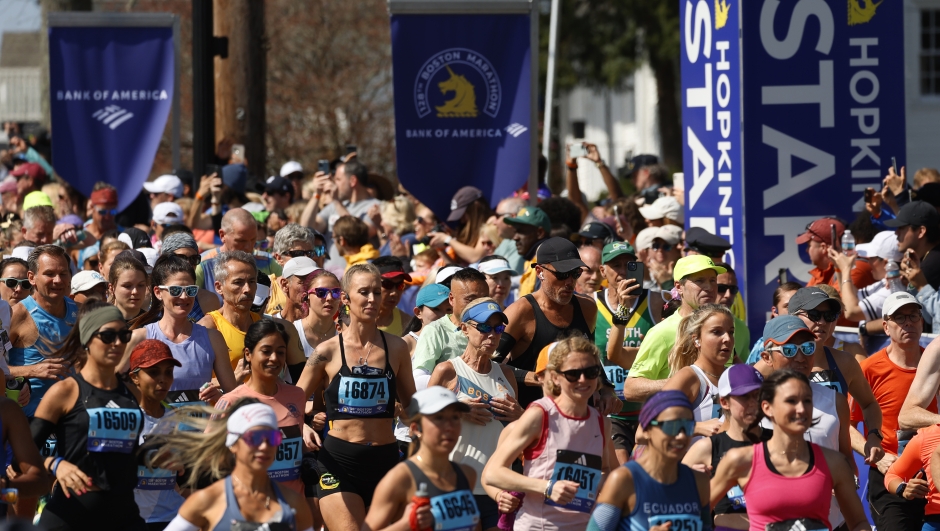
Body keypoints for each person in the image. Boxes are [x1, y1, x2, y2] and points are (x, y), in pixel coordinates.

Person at [296, 263, 416, 531]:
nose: (372, 299)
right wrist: (303, 426)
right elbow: (293, 401)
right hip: (339, 462)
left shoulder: (396, 347)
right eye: (364, 292)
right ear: (347, 299)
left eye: (377, 291)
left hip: (386, 459)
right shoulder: (325, 351)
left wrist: (402, 411)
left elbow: (413, 408)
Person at [30, 304, 147, 530]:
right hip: (73, 514)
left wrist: (155, 456)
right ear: (87, 339)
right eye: (107, 336)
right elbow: (22, 453)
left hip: (123, 513)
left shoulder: (132, 393)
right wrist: (55, 464)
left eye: (124, 335)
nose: (118, 343)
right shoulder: (66, 391)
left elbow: (125, 452)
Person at [709, 370, 871, 531]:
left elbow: (859, 523)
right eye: (791, 401)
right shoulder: (741, 460)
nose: (801, 409)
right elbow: (695, 509)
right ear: (767, 407)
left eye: (807, 400)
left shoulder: (834, 463)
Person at [482, 336, 613, 531]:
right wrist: (548, 487)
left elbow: (607, 470)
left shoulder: (602, 422)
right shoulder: (539, 415)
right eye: (573, 374)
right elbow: (492, 473)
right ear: (555, 377)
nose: (583, 379)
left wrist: (596, 482)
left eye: (591, 372)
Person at [427, 298, 522, 531]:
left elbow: (519, 435)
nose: (492, 335)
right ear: (464, 329)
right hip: (455, 486)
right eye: (484, 327)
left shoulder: (507, 375)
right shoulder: (447, 371)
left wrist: (521, 416)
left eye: (498, 328)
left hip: (497, 487)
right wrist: (457, 411)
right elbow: (420, 427)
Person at [155, 401, 314, 530]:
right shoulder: (207, 501)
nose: (265, 446)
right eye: (255, 438)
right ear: (232, 444)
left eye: (272, 437)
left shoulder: (293, 503)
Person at [849, 292, 931, 531]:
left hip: (934, 472)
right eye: (900, 317)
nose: (908, 322)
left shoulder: (934, 363)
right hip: (890, 474)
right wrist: (881, 457)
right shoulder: (868, 369)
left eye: (914, 315)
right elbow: (847, 425)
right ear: (886, 327)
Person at [624, 255, 749, 403]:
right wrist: (686, 383)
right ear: (679, 287)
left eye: (712, 281)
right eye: (699, 281)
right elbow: (631, 389)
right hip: (677, 424)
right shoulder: (663, 332)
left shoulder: (726, 329)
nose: (709, 288)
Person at [497, 237, 602, 408]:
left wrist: (605, 390)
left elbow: (591, 358)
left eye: (575, 273)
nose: (569, 282)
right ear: (539, 272)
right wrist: (537, 377)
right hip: (533, 417)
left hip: (578, 414)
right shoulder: (520, 313)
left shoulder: (587, 307)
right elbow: (487, 365)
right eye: (561, 274)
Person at [586, 390, 709, 531]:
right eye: (671, 426)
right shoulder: (624, 480)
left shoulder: (699, 482)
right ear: (646, 429)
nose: (681, 436)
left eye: (687, 427)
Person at [363, 386, 481, 531]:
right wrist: (406, 525)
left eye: (455, 417)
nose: (450, 426)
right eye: (439, 418)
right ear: (416, 429)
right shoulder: (401, 478)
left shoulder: (467, 474)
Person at [216, 320, 311, 499]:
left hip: (293, 506)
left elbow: (296, 445)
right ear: (248, 354)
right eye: (266, 351)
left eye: (280, 352)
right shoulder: (231, 402)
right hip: (248, 508)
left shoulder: (297, 395)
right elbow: (210, 458)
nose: (274, 358)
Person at [787, 287, 884, 463]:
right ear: (792, 316)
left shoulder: (844, 362)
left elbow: (869, 404)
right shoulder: (774, 361)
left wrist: (874, 436)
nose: (823, 322)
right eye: (814, 315)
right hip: (789, 470)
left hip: (836, 470)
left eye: (829, 316)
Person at [125, 254, 236, 403]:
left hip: (201, 425)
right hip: (156, 426)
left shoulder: (213, 338)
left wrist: (221, 398)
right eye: (176, 290)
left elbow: (233, 398)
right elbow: (116, 390)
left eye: (190, 290)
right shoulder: (139, 338)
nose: (184, 297)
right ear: (158, 292)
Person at [595, 241, 663, 462]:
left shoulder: (655, 302)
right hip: (611, 412)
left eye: (629, 264)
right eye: (616, 265)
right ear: (602, 270)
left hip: (649, 409)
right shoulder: (590, 305)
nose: (623, 271)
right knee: (622, 474)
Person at [682, 365, 764, 530]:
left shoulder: (779, 441)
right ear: (724, 402)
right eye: (744, 396)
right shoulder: (707, 448)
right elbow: (672, 504)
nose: (753, 403)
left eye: (758, 395)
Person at [9, 245, 76, 416]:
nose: (58, 280)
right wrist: (31, 371)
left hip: (71, 418)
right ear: (32, 278)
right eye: (49, 274)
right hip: (31, 420)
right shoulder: (18, 315)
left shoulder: (81, 312)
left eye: (63, 273)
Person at [128, 339, 187, 530]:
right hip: (133, 519)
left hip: (172, 518)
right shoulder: (124, 418)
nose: (163, 379)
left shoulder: (176, 418)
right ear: (135, 377)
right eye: (153, 372)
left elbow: (181, 473)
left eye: (168, 372)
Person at [662, 304, 736, 437]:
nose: (727, 339)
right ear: (696, 340)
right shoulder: (688, 377)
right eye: (716, 332)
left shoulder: (734, 377)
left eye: (731, 332)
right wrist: (696, 427)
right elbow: (645, 429)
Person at [304, 158, 381, 273]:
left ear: (353, 181)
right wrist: (317, 194)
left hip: (357, 276)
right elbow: (307, 228)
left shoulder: (376, 206)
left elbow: (359, 233)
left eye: (338, 179)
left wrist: (336, 201)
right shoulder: (335, 206)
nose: (334, 183)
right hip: (330, 277)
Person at [796, 217, 874, 326]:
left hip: (852, 340)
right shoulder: (822, 271)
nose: (806, 250)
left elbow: (836, 313)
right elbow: (801, 306)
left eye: (809, 245)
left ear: (823, 247)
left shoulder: (856, 268)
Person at [412, 268, 490, 375]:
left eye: (484, 299)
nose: (479, 304)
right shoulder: (435, 331)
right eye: (471, 299)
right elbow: (420, 377)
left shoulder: (493, 329)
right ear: (451, 299)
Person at [195, 208, 282, 297]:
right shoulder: (203, 264)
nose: (249, 247)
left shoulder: (267, 262)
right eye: (241, 241)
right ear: (222, 235)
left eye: (253, 240)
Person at [159, 232, 221, 323]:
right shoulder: (147, 297)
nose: (188, 264)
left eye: (193, 259)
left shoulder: (207, 300)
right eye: (181, 258)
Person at [427, 186, 494, 265]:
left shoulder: (491, 223)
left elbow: (475, 257)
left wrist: (447, 239)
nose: (461, 220)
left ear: (477, 207)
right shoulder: (464, 228)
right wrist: (440, 250)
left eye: (463, 214)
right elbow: (457, 270)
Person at [266, 223, 320, 316]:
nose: (305, 258)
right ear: (279, 258)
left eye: (310, 253)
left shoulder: (321, 286)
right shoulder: (266, 287)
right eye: (298, 253)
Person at [746, 282, 801, 366]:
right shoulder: (763, 345)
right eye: (788, 306)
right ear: (775, 311)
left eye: (800, 306)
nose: (795, 311)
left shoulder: (818, 338)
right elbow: (750, 376)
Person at [889, 201, 940, 292]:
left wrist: (898, 284)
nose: (896, 232)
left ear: (921, 232)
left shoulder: (931, 267)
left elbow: (910, 304)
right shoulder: (930, 257)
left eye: (901, 227)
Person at [293, 270, 341, 365]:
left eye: (336, 292)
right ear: (307, 296)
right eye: (321, 292)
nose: (329, 298)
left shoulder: (344, 336)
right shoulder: (293, 331)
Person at [504, 206, 551, 297]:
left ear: (539, 232)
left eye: (521, 231)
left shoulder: (547, 265)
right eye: (515, 232)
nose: (515, 237)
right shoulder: (530, 261)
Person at [402, 283, 451, 355]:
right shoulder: (405, 344)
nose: (444, 315)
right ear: (418, 312)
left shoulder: (460, 340)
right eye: (436, 309)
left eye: (449, 309)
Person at [270, 257, 321, 322]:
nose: (311, 288)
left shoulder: (326, 328)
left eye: (315, 282)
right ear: (285, 285)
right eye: (304, 282)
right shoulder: (270, 326)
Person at [373, 256, 414, 336]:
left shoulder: (406, 322)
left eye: (400, 285)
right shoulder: (353, 319)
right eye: (387, 285)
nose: (394, 293)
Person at [107, 255, 149, 323]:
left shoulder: (154, 325)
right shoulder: (100, 323)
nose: (135, 291)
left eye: (140, 285)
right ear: (111, 288)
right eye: (127, 286)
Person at [491, 197, 526, 274]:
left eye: (497, 216)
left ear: (512, 217)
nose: (494, 222)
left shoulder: (524, 245)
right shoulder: (507, 240)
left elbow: (508, 278)